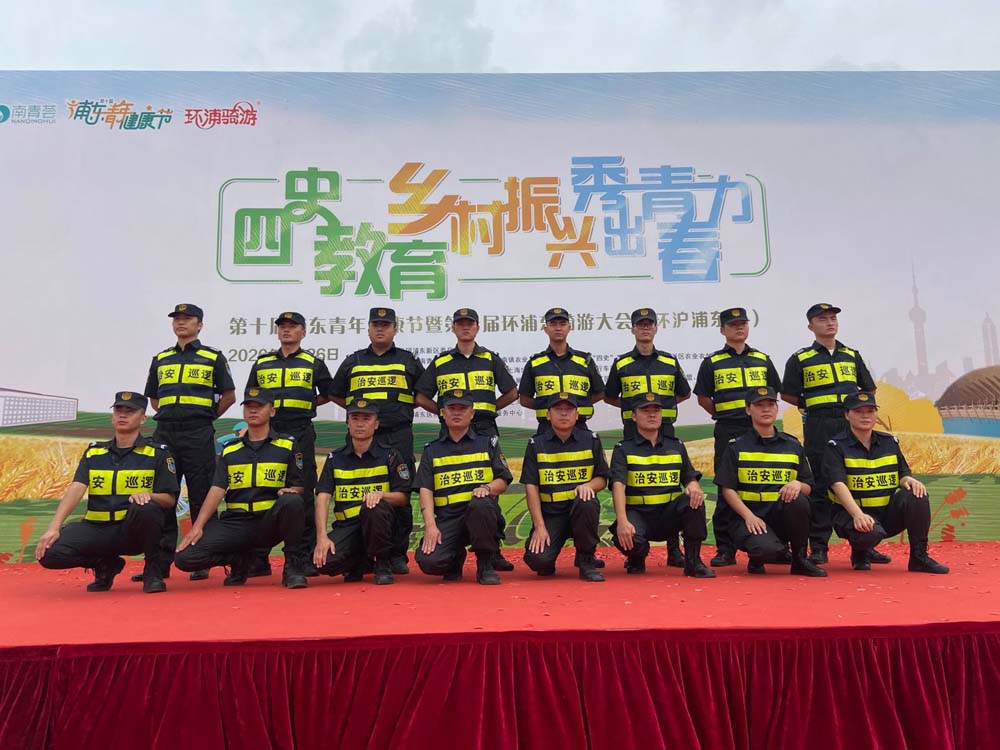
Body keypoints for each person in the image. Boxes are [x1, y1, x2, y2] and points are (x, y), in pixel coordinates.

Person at [35, 392, 178, 593]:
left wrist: (148, 495)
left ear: (142, 418)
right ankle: (105, 564)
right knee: (48, 553)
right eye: (118, 410)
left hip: (131, 532)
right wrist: (54, 527)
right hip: (97, 528)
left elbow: (169, 499)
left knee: (147, 508)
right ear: (112, 416)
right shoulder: (94, 452)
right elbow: (76, 489)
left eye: (130, 411)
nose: (123, 415)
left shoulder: (157, 453)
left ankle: (152, 570)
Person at [416, 307, 518, 571]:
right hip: (451, 431)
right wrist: (444, 414)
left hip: (484, 429)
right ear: (453, 328)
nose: (465, 327)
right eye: (460, 323)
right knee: (452, 486)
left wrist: (487, 409)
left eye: (470, 323)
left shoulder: (490, 359)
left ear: (477, 327)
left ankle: (492, 551)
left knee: (488, 492)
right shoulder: (441, 362)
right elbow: (421, 396)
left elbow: (511, 392)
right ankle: (452, 543)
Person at [175, 388, 308, 589]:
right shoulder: (230, 449)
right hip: (236, 523)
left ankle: (293, 566)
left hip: (268, 522)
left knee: (292, 501)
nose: (253, 411)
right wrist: (198, 526)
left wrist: (291, 492)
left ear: (272, 411)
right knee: (185, 557)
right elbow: (217, 489)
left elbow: (298, 486)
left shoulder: (287, 445)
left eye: (259, 406)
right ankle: (238, 560)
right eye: (248, 407)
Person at [781, 302, 881, 565]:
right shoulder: (801, 358)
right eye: (823, 319)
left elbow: (868, 389)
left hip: (850, 425)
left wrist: (855, 411)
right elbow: (788, 394)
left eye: (833, 318)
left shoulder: (851, 355)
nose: (830, 323)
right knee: (820, 485)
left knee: (857, 481)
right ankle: (819, 546)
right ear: (810, 326)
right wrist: (814, 405)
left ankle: (864, 544)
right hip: (820, 425)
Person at [141, 303, 235, 582]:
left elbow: (229, 396)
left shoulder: (212, 357)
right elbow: (154, 399)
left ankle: (201, 559)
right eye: (177, 319)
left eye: (187, 319)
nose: (181, 323)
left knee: (201, 496)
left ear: (200, 325)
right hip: (165, 434)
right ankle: (159, 564)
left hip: (198, 434)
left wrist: (204, 417)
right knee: (164, 496)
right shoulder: (161, 359)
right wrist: (173, 416)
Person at [330, 307, 424, 575]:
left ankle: (396, 555)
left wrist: (398, 411)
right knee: (358, 489)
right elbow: (335, 393)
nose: (380, 329)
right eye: (376, 324)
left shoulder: (407, 360)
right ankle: (360, 550)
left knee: (401, 493)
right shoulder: (354, 361)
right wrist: (360, 416)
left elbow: (423, 393)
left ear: (395, 329)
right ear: (369, 328)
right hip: (362, 437)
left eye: (386, 325)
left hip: (398, 434)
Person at [245, 311, 334, 578]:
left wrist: (305, 405)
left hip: (300, 432)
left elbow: (328, 394)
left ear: (303, 332)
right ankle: (258, 557)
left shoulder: (313, 363)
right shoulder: (263, 363)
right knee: (264, 489)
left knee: (302, 493)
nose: (286, 330)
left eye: (293, 326)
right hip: (270, 432)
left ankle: (303, 557)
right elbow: (252, 397)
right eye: (282, 326)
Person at [694, 307, 783, 568]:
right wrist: (726, 414)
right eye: (733, 325)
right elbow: (703, 398)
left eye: (743, 323)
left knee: (766, 482)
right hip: (729, 429)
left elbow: (773, 392)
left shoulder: (762, 360)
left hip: (761, 431)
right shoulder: (712, 362)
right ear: (723, 330)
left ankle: (774, 544)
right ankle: (726, 549)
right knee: (727, 487)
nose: (739, 328)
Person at [823, 392, 948, 574]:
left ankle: (919, 557)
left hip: (884, 513)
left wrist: (909, 481)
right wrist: (858, 515)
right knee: (870, 533)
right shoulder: (836, 446)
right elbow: (837, 484)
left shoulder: (889, 442)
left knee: (917, 495)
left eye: (870, 411)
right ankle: (860, 551)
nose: (865, 416)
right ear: (847, 415)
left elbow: (902, 474)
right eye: (858, 411)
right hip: (851, 515)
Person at [604, 307, 691, 568]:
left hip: (665, 432)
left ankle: (675, 549)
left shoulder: (669, 362)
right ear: (632, 329)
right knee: (633, 484)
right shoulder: (622, 364)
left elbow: (684, 393)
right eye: (640, 324)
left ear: (656, 328)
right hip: (634, 433)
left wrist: (660, 411)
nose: (645, 328)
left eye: (649, 324)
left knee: (670, 485)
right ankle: (635, 546)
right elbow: (609, 396)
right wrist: (635, 412)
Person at [714, 387, 827, 577]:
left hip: (781, 517)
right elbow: (727, 489)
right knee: (766, 551)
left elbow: (808, 486)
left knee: (799, 499)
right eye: (759, 405)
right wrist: (749, 516)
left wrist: (797, 484)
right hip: (750, 518)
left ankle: (799, 559)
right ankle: (758, 556)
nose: (766, 409)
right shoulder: (736, 446)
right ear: (748, 410)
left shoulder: (792, 445)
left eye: (770, 404)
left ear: (776, 409)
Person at [608, 392, 714, 578]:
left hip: (667, 516)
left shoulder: (676, 445)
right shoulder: (623, 449)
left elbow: (689, 476)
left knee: (694, 501)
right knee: (630, 538)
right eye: (645, 410)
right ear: (634, 416)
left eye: (656, 411)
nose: (652, 415)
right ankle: (636, 557)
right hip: (638, 514)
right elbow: (618, 485)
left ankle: (693, 562)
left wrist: (693, 485)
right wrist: (622, 521)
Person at [414, 389, 513, 585]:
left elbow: (503, 480)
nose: (457, 413)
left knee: (481, 504)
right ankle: (455, 556)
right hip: (449, 518)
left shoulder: (487, 443)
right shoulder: (432, 450)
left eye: (463, 408)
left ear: (472, 413)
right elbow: (425, 490)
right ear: (443, 413)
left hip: (480, 515)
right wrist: (431, 526)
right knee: (430, 562)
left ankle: (485, 564)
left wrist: (487, 488)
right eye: (452, 408)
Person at [313, 399, 412, 585]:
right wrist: (322, 537)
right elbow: (323, 498)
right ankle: (360, 561)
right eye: (355, 418)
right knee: (322, 562)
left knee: (373, 508)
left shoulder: (390, 455)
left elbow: (403, 498)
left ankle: (382, 563)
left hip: (381, 525)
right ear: (347, 423)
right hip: (347, 527)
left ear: (376, 424)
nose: (360, 423)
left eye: (366, 419)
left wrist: (382, 495)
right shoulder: (335, 458)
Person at [520, 392, 610, 582]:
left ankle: (586, 561)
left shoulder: (591, 439)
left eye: (568, 410)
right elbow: (531, 486)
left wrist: (589, 485)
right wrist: (539, 527)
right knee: (538, 561)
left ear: (577, 415)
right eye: (558, 409)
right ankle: (549, 558)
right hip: (552, 514)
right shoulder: (536, 444)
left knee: (587, 501)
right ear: (548, 414)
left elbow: (602, 478)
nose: (563, 414)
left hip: (580, 510)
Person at [518, 307, 605, 431]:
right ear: (546, 329)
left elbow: (600, 393)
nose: (558, 328)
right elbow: (524, 399)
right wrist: (550, 408)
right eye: (553, 324)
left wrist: (579, 404)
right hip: (546, 430)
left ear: (569, 328)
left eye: (562, 324)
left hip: (580, 428)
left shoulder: (585, 361)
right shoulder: (535, 363)